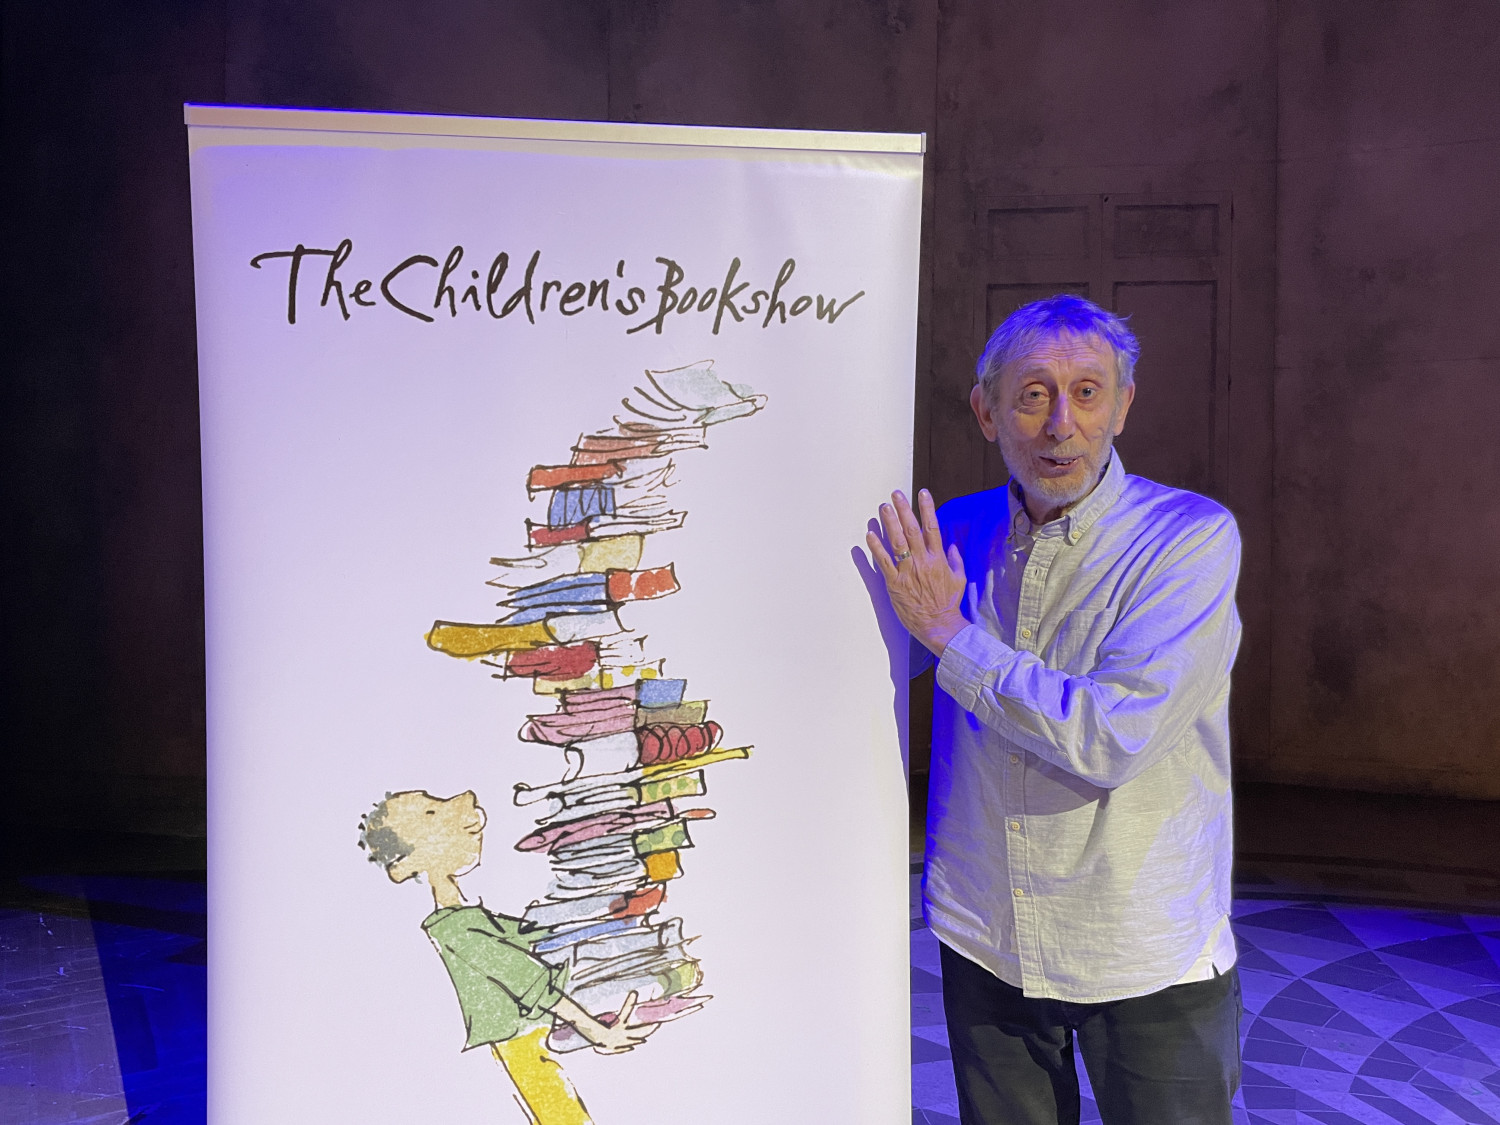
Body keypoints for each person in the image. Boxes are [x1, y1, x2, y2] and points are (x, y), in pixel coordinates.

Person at [867, 294, 1243, 1124]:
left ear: (1123, 406)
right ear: (986, 411)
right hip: (986, 932)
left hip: (1140, 946)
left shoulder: (1190, 539)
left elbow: (1113, 735)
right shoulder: (954, 532)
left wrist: (950, 635)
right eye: (1033, 394)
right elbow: (856, 671)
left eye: (1087, 392)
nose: (1060, 424)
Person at [359, 789, 654, 1125]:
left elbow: (535, 943)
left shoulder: (468, 918)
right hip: (524, 1045)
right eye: (431, 814)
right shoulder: (456, 930)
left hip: (536, 1037)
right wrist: (599, 1033)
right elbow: (531, 983)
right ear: (408, 864)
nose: (462, 804)